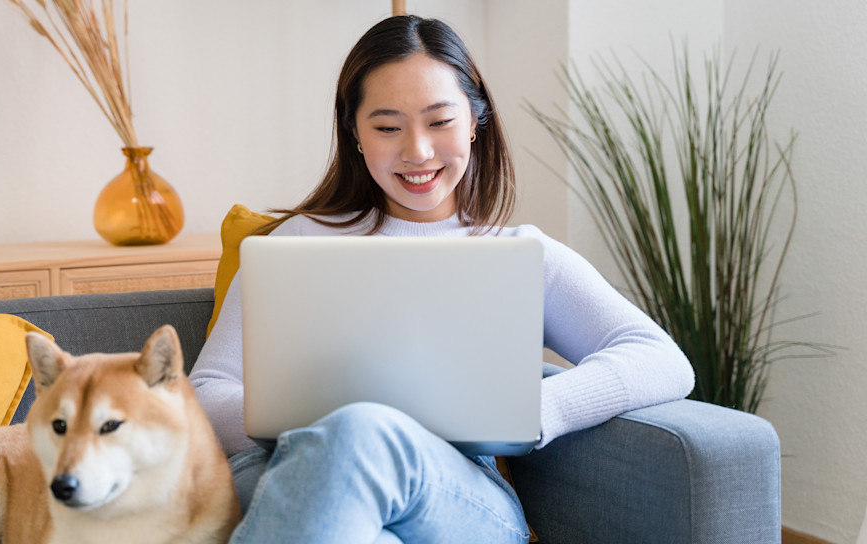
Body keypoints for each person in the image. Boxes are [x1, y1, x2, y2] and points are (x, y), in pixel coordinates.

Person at [189, 14, 694, 544]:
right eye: (387, 127)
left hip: (452, 497)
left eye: (440, 121)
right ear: (354, 133)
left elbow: (660, 358)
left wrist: (534, 411)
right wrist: (321, 427)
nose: (418, 151)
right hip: (285, 470)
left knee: (361, 434)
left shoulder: (518, 253)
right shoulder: (295, 242)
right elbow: (205, 391)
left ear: (475, 122)